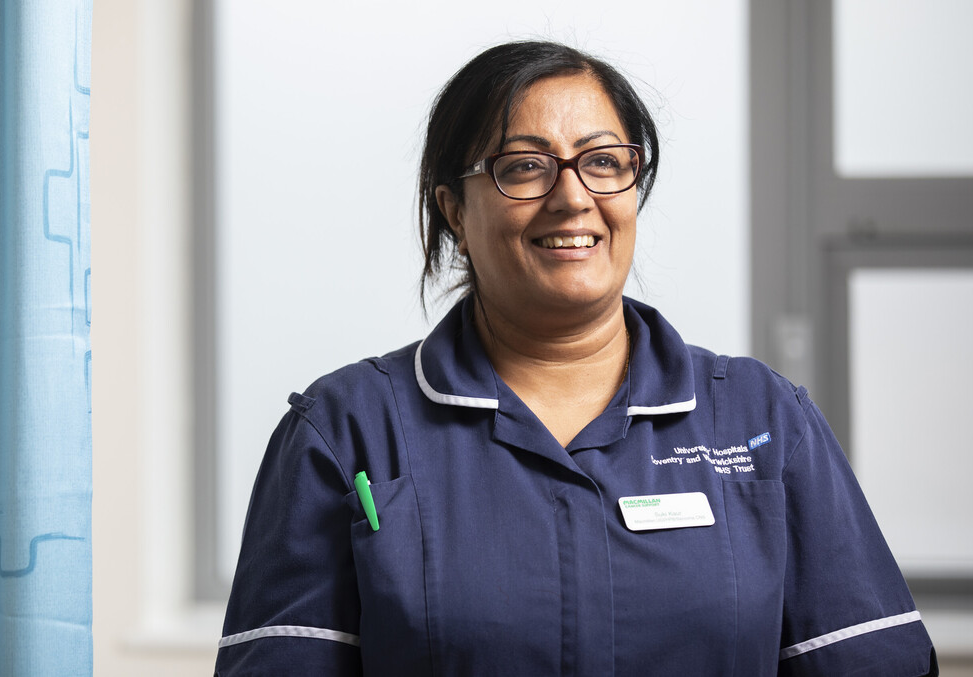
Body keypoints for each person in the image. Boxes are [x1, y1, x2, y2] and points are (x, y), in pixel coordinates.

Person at [214, 41, 937, 676]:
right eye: (524, 167)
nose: (572, 197)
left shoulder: (763, 419)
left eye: (603, 162)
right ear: (454, 212)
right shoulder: (345, 431)